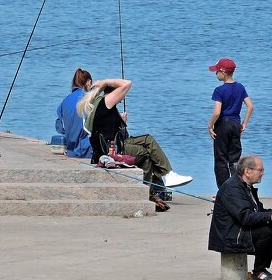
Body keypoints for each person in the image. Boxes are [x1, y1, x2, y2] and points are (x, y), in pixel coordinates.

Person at [77, 78, 192, 212]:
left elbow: (106, 125)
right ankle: (155, 186)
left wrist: (120, 119)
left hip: (113, 143)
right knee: (144, 153)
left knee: (148, 139)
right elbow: (127, 83)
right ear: (113, 94)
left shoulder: (101, 104)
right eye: (120, 95)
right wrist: (105, 82)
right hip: (112, 149)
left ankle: (165, 176)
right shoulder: (106, 101)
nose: (122, 99)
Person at [208, 154, 272, 280]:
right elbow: (245, 217)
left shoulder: (246, 186)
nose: (263, 173)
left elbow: (259, 212)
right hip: (230, 237)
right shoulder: (232, 188)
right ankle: (259, 271)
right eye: (261, 170)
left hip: (241, 230)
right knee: (270, 228)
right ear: (248, 171)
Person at [207, 57, 253, 187]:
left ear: (223, 72)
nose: (216, 73)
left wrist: (210, 126)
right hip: (235, 124)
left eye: (217, 71)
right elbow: (250, 106)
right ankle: (237, 187)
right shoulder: (240, 87)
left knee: (221, 159)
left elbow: (217, 112)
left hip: (222, 124)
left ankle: (224, 189)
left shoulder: (219, 90)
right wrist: (244, 123)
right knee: (234, 159)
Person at [56, 68, 93, 159]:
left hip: (70, 151)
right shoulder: (88, 100)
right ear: (89, 82)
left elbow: (60, 128)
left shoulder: (64, 102)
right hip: (87, 151)